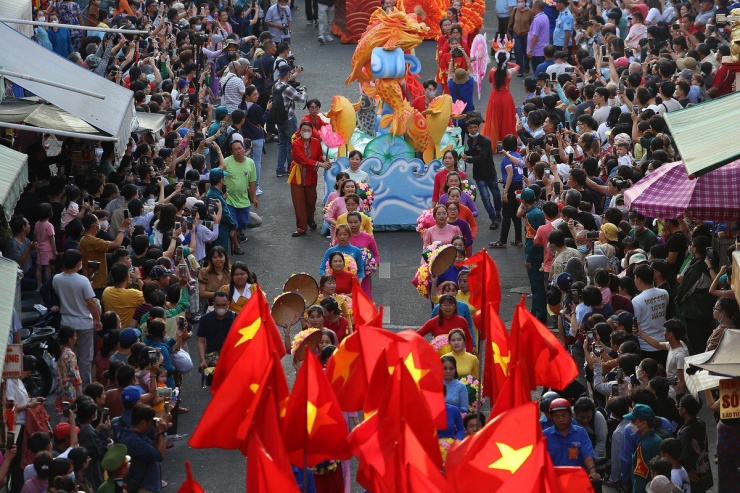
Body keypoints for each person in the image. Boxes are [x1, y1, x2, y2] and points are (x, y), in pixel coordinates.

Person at [52, 250, 100, 388]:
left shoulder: (57, 279)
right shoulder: (83, 281)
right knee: (85, 358)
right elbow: (90, 303)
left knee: (67, 357)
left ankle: (68, 386)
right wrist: (97, 320)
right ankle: (83, 388)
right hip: (84, 323)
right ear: (79, 263)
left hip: (67, 323)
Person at [289, 121, 331, 237]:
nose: (306, 132)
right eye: (304, 130)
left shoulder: (316, 142)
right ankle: (301, 227)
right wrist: (319, 164)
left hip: (311, 175)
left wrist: (324, 159)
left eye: (308, 130)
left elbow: (319, 156)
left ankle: (310, 219)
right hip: (297, 175)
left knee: (311, 200)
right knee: (299, 202)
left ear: (312, 132)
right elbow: (302, 159)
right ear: (300, 131)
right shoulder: (296, 143)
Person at [544, 398, 601, 481]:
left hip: (576, 480)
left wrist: (593, 473)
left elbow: (587, 454)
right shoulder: (545, 435)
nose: (561, 419)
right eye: (557, 416)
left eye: (564, 416)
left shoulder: (580, 432)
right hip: (553, 481)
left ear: (570, 415)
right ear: (551, 418)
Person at [676, 236, 715, 354]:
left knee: (697, 343)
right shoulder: (711, 261)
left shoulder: (697, 269)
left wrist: (679, 302)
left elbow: (683, 291)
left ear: (695, 249)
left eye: (692, 245)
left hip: (696, 313)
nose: (690, 247)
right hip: (707, 310)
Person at [463, 118, 502, 230]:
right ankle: (493, 218)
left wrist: (468, 159)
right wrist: (464, 152)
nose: (473, 129)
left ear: (478, 128)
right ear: (468, 129)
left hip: (490, 172)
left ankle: (498, 212)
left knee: (496, 194)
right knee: (485, 198)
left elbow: (482, 156)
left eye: (475, 127)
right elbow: (473, 151)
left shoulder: (485, 140)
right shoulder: (470, 141)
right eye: (471, 127)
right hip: (479, 175)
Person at [638, 319, 689, 400]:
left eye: (665, 331)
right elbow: (657, 344)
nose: (663, 333)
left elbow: (682, 380)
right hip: (670, 390)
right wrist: (640, 334)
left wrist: (680, 399)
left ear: (670, 334)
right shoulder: (674, 345)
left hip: (675, 394)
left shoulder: (680, 355)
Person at [120, 404, 167, 493]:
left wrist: (157, 435)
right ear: (143, 423)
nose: (151, 426)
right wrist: (161, 433)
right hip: (143, 487)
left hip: (147, 485)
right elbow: (160, 455)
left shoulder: (135, 435)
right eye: (150, 423)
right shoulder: (135, 441)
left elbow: (151, 448)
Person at [222, 139, 258, 253]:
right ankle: (236, 246)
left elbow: (252, 182)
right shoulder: (226, 162)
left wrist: (254, 197)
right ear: (231, 152)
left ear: (244, 148)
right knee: (233, 223)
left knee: (244, 221)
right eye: (235, 150)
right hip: (229, 199)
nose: (238, 151)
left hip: (243, 199)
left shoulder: (250, 163)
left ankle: (237, 233)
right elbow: (218, 175)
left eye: (239, 148)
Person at [517, 188, 546, 321]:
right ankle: (535, 310)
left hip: (534, 255)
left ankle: (539, 313)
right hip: (541, 252)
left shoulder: (530, 215)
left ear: (523, 201)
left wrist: (528, 258)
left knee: (536, 286)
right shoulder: (538, 212)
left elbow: (530, 240)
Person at [482, 46, 519, 151]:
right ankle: (507, 143)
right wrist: (507, 64)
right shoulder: (509, 72)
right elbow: (518, 66)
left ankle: (495, 143)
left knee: (494, 119)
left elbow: (490, 81)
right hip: (506, 98)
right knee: (506, 120)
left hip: (494, 97)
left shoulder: (493, 71)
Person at [275, 63, 308, 178]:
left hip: (279, 119)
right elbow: (302, 99)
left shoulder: (276, 85)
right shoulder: (288, 88)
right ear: (288, 73)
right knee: (291, 143)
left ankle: (280, 169)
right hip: (289, 119)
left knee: (281, 143)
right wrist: (303, 91)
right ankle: (291, 167)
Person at [632, 265, 669, 364]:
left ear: (639, 279)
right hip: (664, 341)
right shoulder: (664, 293)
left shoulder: (637, 301)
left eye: (635, 278)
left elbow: (636, 324)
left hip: (646, 345)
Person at [677, 395, 714, 493]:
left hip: (694, 474)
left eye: (679, 406)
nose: (678, 407)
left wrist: (688, 469)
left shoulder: (686, 432)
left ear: (684, 409)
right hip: (704, 470)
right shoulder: (701, 422)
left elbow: (685, 456)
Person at [624, 403, 664, 493]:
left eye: (634, 421)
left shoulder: (643, 447)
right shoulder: (658, 439)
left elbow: (640, 477)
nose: (631, 424)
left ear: (644, 423)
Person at [197, 290, 236, 370]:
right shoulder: (205, 319)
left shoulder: (236, 318)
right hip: (212, 360)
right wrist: (202, 360)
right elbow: (201, 341)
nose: (221, 308)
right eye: (218, 305)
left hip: (232, 359)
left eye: (224, 305)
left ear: (228, 304)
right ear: (213, 304)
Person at [205, 169, 238, 252]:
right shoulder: (216, 195)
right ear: (221, 180)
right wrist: (234, 225)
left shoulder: (213, 192)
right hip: (221, 230)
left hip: (218, 228)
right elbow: (225, 214)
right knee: (221, 253)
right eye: (224, 177)